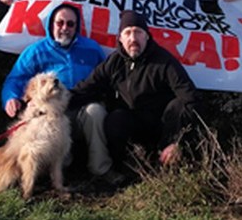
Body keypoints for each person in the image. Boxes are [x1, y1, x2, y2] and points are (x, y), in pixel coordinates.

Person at [70, 11, 199, 179]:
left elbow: (191, 98)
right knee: (115, 119)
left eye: (138, 32)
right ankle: (123, 168)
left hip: (160, 127)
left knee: (178, 106)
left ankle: (167, 161)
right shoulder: (113, 62)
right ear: (120, 38)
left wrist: (178, 141)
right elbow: (86, 88)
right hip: (131, 125)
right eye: (128, 32)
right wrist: (52, 101)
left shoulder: (165, 62)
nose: (133, 38)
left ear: (147, 36)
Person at [0, 4, 110, 178]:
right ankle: (50, 173)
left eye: (70, 24)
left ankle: (102, 170)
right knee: (60, 159)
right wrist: (10, 98)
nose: (65, 28)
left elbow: (106, 76)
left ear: (77, 26)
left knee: (96, 111)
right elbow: (15, 79)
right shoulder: (36, 51)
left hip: (82, 108)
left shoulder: (92, 48)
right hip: (50, 114)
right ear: (51, 24)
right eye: (60, 23)